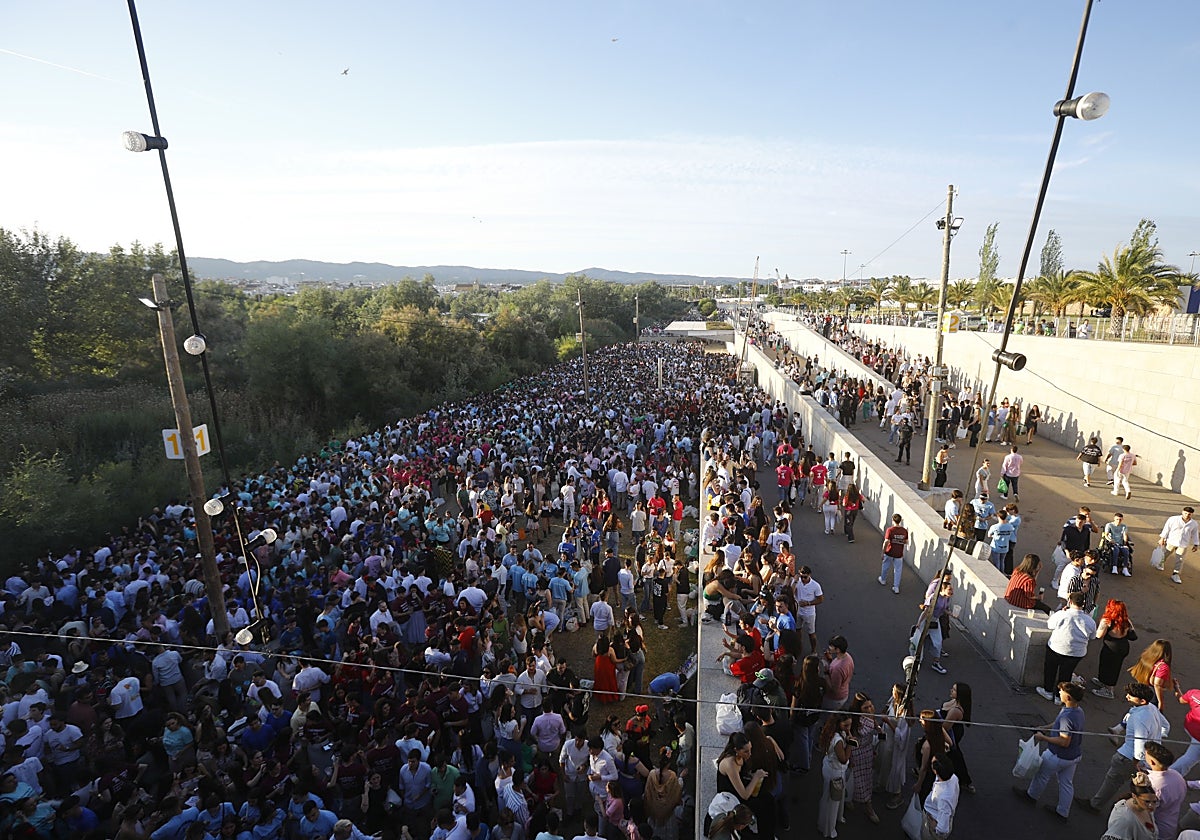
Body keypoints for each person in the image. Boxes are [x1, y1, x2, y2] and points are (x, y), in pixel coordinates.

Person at [1081, 682, 1169, 812]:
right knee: (1137, 785)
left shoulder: (1139, 717)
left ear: (1142, 700)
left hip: (1128, 757)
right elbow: (1166, 725)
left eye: (1131, 695)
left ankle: (1096, 805)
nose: (1127, 696)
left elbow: (1139, 743)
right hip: (1144, 758)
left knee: (1113, 782)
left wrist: (1137, 761)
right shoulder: (1151, 708)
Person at [1016, 681, 1085, 820]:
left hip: (1058, 755)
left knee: (1041, 775)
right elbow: (1057, 723)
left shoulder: (1067, 716)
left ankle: (1031, 796)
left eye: (1061, 692)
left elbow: (1064, 741)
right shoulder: (1077, 711)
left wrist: (1043, 738)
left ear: (1068, 697)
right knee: (1066, 783)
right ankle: (1062, 812)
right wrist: (1045, 727)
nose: (1059, 693)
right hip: (1073, 756)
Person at [1036, 592, 1096, 702]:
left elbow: (1050, 625)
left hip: (1056, 647)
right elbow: (1093, 636)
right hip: (1076, 653)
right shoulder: (1090, 621)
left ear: (1070, 601)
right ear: (1083, 604)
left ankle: (1048, 690)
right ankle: (1060, 696)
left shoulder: (1061, 614)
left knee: (1050, 669)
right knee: (1066, 674)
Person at [1092, 600, 1137, 700]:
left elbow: (1099, 635)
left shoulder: (1107, 621)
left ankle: (1109, 690)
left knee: (1109, 667)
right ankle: (1103, 681)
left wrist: (1101, 625)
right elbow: (1133, 636)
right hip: (1123, 646)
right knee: (1113, 667)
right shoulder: (1125, 621)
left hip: (1111, 648)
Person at [817, 714, 851, 838]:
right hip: (835, 773)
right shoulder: (838, 741)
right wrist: (851, 745)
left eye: (849, 724)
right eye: (845, 725)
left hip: (829, 767)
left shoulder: (831, 733)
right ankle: (828, 828)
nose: (848, 728)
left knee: (828, 796)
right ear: (838, 724)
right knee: (832, 801)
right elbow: (843, 759)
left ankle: (833, 820)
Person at [1098, 771, 1160, 840]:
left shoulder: (1146, 809)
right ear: (1134, 796)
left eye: (1154, 801)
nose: (1151, 805)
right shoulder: (1125, 820)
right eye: (1147, 801)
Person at [1156, 506, 1200, 585]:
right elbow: (1166, 529)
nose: (1187, 515)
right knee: (1166, 554)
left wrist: (1196, 544)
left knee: (1180, 559)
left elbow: (1195, 534)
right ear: (1182, 512)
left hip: (1183, 544)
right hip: (1171, 541)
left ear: (1192, 515)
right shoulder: (1173, 519)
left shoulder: (1194, 524)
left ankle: (1175, 574)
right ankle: (1160, 563)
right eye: (1186, 513)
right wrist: (1162, 538)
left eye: (1189, 514)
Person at [1128, 639, 1174, 708]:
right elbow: (1157, 684)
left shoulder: (1145, 658)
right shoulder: (1163, 667)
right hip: (1151, 693)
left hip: (1141, 686)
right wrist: (1160, 702)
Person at [922, 754, 959, 840]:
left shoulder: (944, 799)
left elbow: (943, 829)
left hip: (933, 820)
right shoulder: (953, 778)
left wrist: (934, 827)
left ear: (935, 771)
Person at [793, 566, 824, 656]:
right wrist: (795, 581)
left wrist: (808, 603)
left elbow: (820, 599)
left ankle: (814, 650)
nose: (803, 579)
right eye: (801, 576)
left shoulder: (815, 585)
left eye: (805, 577)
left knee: (811, 633)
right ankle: (799, 646)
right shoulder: (797, 582)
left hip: (809, 613)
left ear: (809, 575)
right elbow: (790, 592)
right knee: (798, 629)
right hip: (799, 610)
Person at [879, 514, 908, 595]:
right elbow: (906, 542)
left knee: (885, 566)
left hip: (889, 552)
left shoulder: (890, 530)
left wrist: (882, 552)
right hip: (899, 553)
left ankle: (883, 579)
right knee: (898, 570)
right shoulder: (904, 531)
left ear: (893, 520)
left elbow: (886, 541)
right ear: (900, 520)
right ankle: (896, 587)